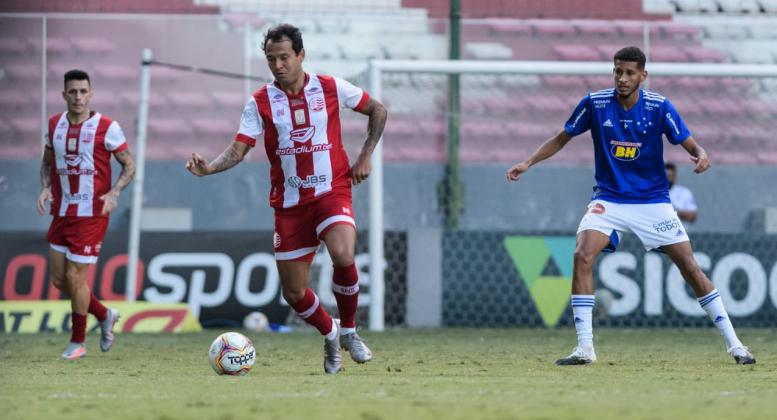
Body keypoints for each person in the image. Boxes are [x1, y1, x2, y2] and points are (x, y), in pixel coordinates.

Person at [506, 46, 754, 366]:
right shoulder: (595, 104)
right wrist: (528, 162)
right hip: (609, 199)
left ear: (643, 75)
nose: (622, 79)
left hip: (652, 202)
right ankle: (585, 348)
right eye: (617, 71)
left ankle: (735, 345)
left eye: (629, 73)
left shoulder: (659, 107)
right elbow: (562, 137)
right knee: (582, 254)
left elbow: (689, 143)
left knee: (690, 268)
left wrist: (701, 154)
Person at [186, 23, 388, 374]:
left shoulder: (330, 86)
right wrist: (209, 169)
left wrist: (365, 155)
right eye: (270, 59)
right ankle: (331, 331)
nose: (278, 65)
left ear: (300, 55)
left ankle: (351, 332)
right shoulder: (260, 102)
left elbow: (379, 111)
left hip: (331, 190)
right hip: (290, 204)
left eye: (284, 58)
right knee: (294, 294)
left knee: (343, 252)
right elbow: (239, 149)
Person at [38, 69, 136, 360]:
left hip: (92, 213)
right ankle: (105, 314)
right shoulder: (54, 125)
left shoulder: (107, 127)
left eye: (83, 91)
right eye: (73, 91)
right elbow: (46, 163)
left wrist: (115, 192)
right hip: (62, 212)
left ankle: (77, 342)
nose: (78, 97)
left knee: (75, 277)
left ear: (91, 94)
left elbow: (129, 166)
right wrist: (44, 188)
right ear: (64, 94)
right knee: (60, 281)